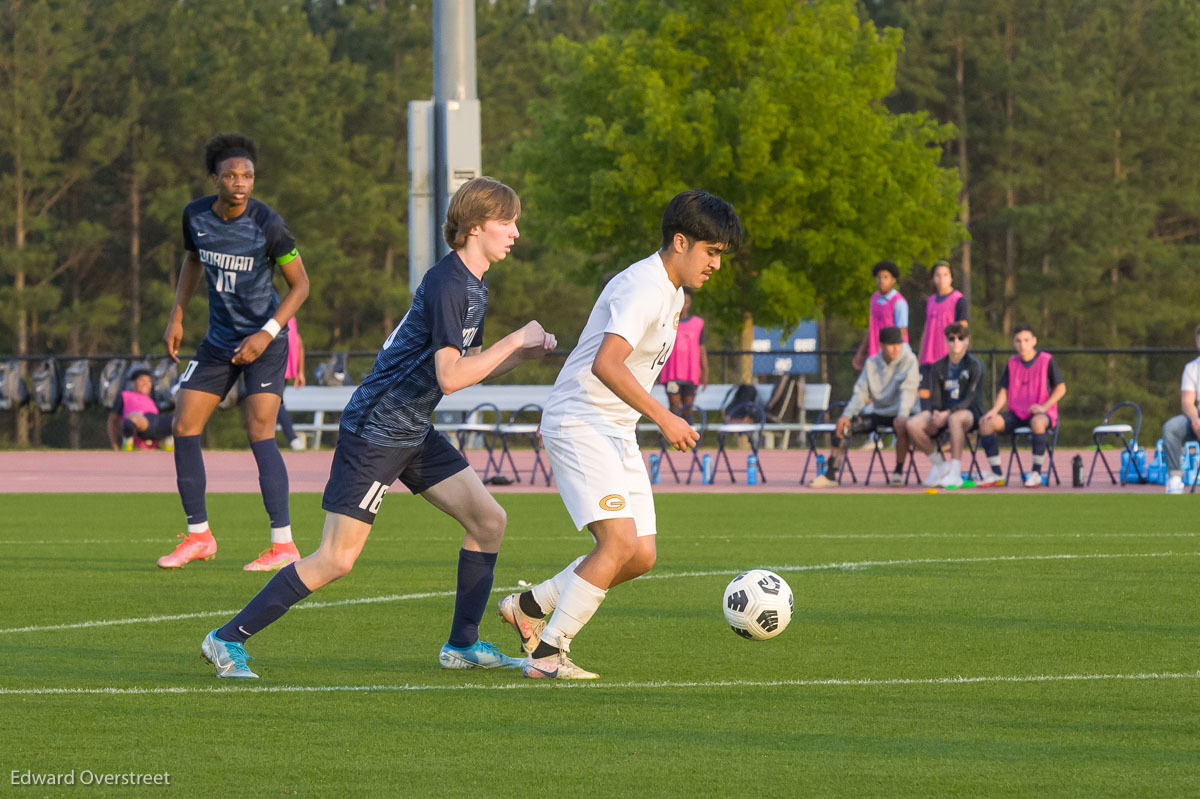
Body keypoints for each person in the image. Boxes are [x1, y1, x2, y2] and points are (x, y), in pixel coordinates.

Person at [201, 176, 556, 679]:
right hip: (375, 431)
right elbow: (451, 378)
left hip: (411, 430)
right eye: (507, 221)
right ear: (475, 227)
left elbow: (465, 364)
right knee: (335, 559)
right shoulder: (450, 283)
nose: (516, 231)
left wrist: (519, 354)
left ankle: (462, 644)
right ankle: (224, 639)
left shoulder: (474, 285)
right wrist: (515, 338)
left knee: (488, 522)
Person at [497, 189, 743, 680]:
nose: (716, 264)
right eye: (711, 252)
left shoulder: (671, 292)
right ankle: (548, 655)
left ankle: (529, 605)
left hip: (614, 428)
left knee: (641, 554)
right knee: (615, 543)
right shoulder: (644, 287)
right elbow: (605, 363)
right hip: (580, 422)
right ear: (680, 241)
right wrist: (666, 417)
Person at [158, 134, 311, 572]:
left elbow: (301, 285)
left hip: (265, 341)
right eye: (231, 175)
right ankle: (199, 536)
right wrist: (177, 316)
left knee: (259, 430)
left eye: (247, 175)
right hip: (218, 342)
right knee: (184, 424)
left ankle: (283, 545)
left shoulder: (269, 223)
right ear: (215, 178)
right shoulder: (195, 216)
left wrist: (266, 333)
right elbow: (192, 261)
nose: (240, 182)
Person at [809, 326, 919, 488]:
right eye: (890, 344)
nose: (895, 348)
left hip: (902, 414)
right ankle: (830, 474)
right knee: (843, 427)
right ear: (881, 346)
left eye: (898, 344)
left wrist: (902, 415)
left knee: (901, 426)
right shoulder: (871, 364)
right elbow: (860, 393)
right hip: (880, 412)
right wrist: (846, 415)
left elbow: (908, 392)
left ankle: (898, 472)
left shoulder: (909, 360)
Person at [976, 325, 1066, 488]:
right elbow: (1004, 389)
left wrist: (1044, 407)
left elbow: (1061, 388)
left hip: (1040, 414)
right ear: (1014, 343)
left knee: (1038, 423)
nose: (1022, 344)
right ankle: (997, 473)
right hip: (1017, 414)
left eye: (1026, 340)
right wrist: (995, 410)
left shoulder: (1046, 360)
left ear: (1034, 341)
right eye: (1018, 341)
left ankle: (1036, 473)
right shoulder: (1012, 363)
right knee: (986, 423)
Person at [907, 323, 983, 489]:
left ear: (967, 341)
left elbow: (971, 398)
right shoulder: (938, 366)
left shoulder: (974, 365)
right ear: (946, 342)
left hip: (968, 414)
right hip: (943, 413)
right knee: (913, 423)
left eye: (960, 338)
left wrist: (948, 414)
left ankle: (955, 473)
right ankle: (939, 464)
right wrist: (935, 413)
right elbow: (936, 396)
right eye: (952, 338)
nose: (956, 342)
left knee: (955, 418)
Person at [916, 260, 968, 410]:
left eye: (945, 275)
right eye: (938, 275)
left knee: (946, 399)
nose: (942, 279)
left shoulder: (958, 299)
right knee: (924, 398)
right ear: (933, 279)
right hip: (928, 358)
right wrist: (920, 357)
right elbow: (927, 329)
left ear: (951, 277)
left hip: (946, 358)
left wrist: (959, 356)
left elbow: (963, 329)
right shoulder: (931, 300)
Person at [1160, 324, 1200, 494]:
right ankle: (1175, 479)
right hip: (1197, 417)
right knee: (1170, 428)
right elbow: (1187, 401)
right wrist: (1195, 420)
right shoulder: (1192, 368)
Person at [657, 288, 708, 417]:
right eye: (681, 301)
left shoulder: (698, 324)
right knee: (674, 408)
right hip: (672, 375)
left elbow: (702, 350)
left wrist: (705, 372)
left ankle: (689, 437)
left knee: (687, 410)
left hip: (690, 375)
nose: (684, 305)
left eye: (687, 301)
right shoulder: (667, 322)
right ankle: (668, 436)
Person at [852, 260, 908, 371]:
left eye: (885, 277)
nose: (881, 280)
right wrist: (861, 353)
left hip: (892, 357)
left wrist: (891, 355)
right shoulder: (874, 299)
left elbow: (901, 332)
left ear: (893, 280)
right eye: (879, 277)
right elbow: (872, 329)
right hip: (875, 355)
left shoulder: (899, 302)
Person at [107, 368, 174, 451]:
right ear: (133, 383)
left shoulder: (152, 399)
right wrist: (114, 444)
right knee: (133, 418)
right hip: (140, 421)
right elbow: (112, 420)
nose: (146, 383)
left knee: (176, 419)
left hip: (156, 422)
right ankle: (128, 442)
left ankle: (167, 442)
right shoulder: (125, 395)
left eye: (149, 381)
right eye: (142, 380)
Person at [276, 318, 307, 450]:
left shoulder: (283, 318)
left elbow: (298, 344)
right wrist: (300, 372)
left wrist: (300, 372)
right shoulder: (290, 318)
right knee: (273, 404)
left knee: (276, 402)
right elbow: (299, 344)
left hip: (277, 368)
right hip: (280, 368)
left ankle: (292, 438)